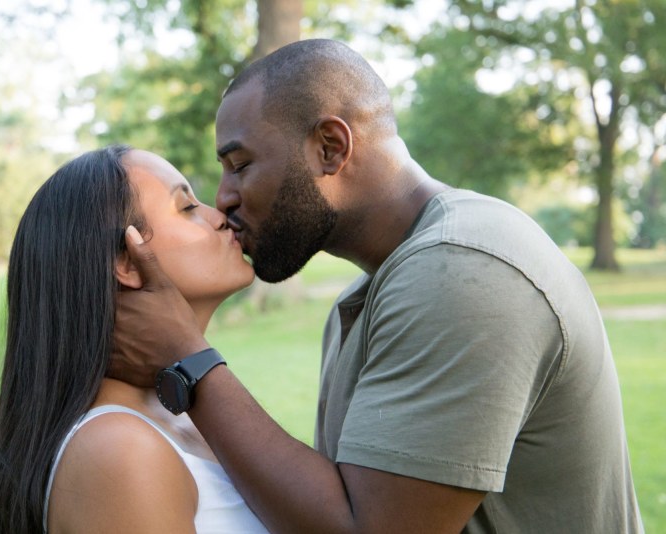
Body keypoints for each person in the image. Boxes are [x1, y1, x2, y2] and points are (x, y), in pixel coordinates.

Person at [109, 39, 643, 533]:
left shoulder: (461, 270)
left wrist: (189, 359)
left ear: (330, 147)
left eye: (240, 165)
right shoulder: (365, 300)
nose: (223, 199)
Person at [0, 144, 268, 533]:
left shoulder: (175, 416)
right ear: (126, 260)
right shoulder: (121, 450)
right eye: (187, 208)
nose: (220, 218)